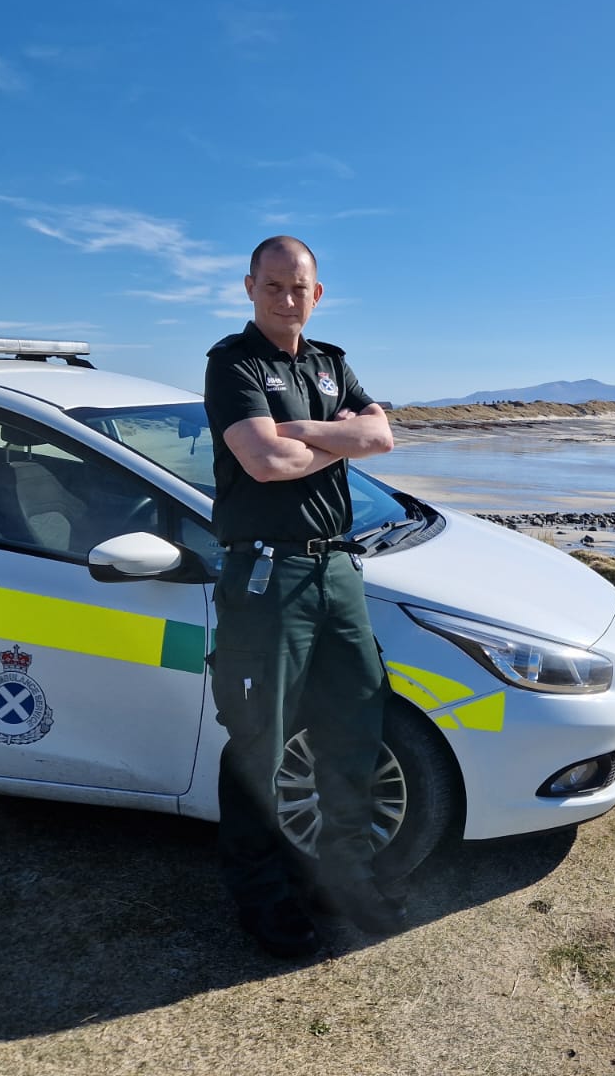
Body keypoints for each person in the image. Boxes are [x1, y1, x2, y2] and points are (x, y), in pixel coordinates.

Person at [204, 235, 402, 957]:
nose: (288, 299)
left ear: (317, 294)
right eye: (274, 286)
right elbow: (263, 461)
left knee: (354, 722)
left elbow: (380, 438)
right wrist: (334, 439)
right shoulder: (233, 363)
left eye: (300, 288)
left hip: (337, 571)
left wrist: (303, 430)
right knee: (261, 738)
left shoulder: (331, 363)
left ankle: (339, 880)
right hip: (266, 578)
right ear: (250, 287)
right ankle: (263, 900)